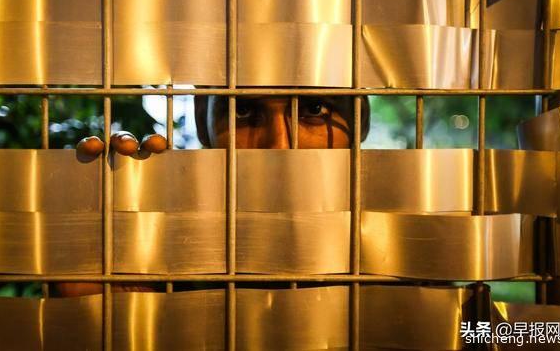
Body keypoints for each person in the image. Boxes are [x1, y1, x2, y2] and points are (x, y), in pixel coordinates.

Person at [57, 95, 370, 297]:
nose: (280, 147)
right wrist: (117, 309)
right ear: (200, 119)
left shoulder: (390, 255)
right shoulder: (168, 260)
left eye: (314, 109)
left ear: (361, 119)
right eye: (243, 110)